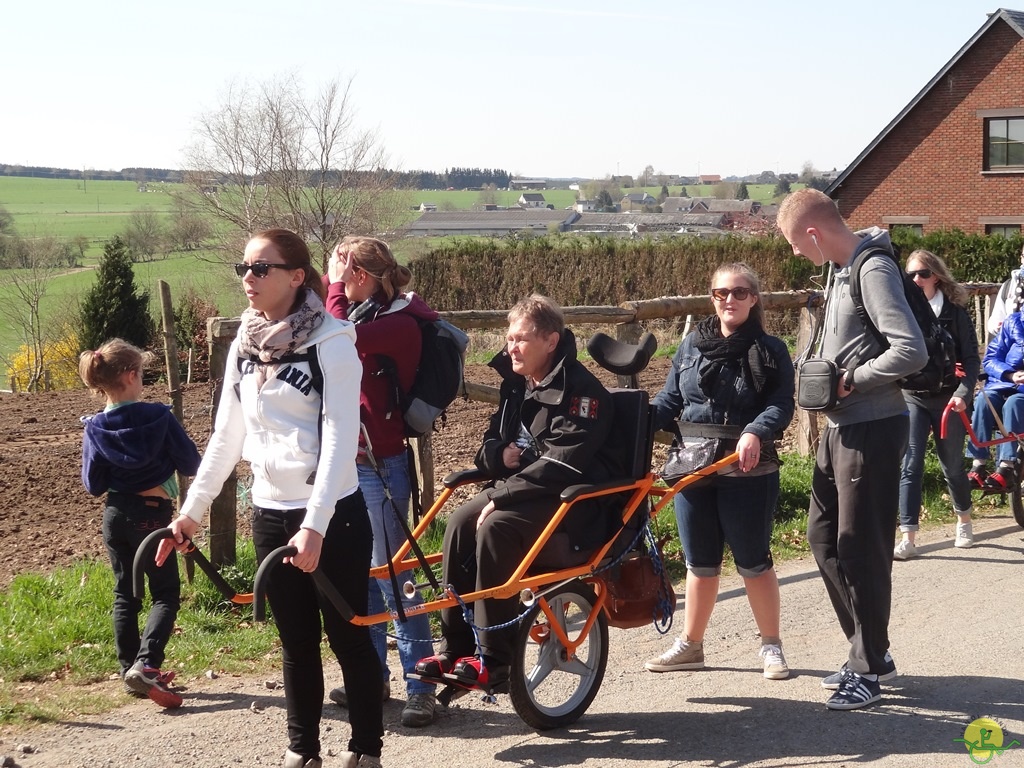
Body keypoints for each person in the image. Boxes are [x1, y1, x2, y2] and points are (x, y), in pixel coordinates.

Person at [156, 229, 384, 768]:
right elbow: (224, 438)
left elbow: (338, 441)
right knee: (295, 642)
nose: (248, 279)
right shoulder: (244, 343)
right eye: (244, 269)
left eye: (261, 268)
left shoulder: (333, 342)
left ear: (297, 275)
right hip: (271, 512)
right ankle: (302, 751)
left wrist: (317, 524)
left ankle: (367, 752)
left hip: (332, 516)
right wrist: (190, 515)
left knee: (347, 638)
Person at [412, 295, 621, 691]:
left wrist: (500, 496)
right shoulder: (515, 386)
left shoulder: (582, 393)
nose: (511, 348)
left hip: (572, 500)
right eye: (509, 338)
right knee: (458, 522)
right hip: (524, 492)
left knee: (496, 529)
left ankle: (495, 659)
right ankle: (455, 647)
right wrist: (498, 454)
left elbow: (564, 462)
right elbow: (488, 442)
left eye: (521, 339)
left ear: (551, 341)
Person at [776, 188, 927, 711]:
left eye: (797, 244)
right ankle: (871, 648)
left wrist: (853, 381)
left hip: (872, 426)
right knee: (823, 539)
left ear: (813, 234)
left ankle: (866, 668)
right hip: (841, 429)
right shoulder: (840, 271)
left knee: (862, 547)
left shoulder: (871, 270)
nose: (797, 254)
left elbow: (910, 349)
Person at [643, 263, 796, 680]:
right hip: (691, 464)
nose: (729, 299)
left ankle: (771, 647)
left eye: (739, 292)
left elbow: (781, 403)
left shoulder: (771, 349)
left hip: (745, 465)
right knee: (699, 563)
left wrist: (755, 432)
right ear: (712, 297)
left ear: (754, 298)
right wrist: (634, 422)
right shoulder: (691, 345)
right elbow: (670, 400)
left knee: (753, 561)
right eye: (721, 292)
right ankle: (692, 646)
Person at [323, 235, 439, 728]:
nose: (338, 283)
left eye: (344, 274)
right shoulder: (375, 316)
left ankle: (422, 686)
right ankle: (371, 678)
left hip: (381, 463)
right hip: (354, 463)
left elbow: (333, 332)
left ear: (361, 278)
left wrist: (330, 283)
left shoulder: (396, 323)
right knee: (362, 576)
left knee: (395, 577)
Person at [80, 338, 201, 709]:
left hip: (116, 515)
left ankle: (129, 669)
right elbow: (191, 463)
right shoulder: (159, 417)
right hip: (154, 514)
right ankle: (147, 664)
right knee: (164, 592)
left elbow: (93, 484)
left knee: (125, 593)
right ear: (132, 375)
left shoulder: (95, 427)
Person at [895, 250, 980, 559]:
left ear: (937, 277)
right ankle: (908, 537)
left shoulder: (955, 314)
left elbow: (971, 359)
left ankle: (964, 520)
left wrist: (963, 392)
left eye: (922, 274)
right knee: (911, 464)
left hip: (948, 399)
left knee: (952, 465)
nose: (916, 280)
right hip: (912, 396)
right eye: (911, 275)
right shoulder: (902, 311)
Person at [965, 307, 1024, 498]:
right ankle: (978, 464)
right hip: (1004, 383)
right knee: (983, 399)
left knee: (1013, 404)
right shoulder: (1013, 323)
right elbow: (991, 359)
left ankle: (1006, 467)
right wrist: (1009, 374)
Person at [985, 244, 1024, 336]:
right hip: (1012, 348)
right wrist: (998, 327)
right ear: (1021, 258)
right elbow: (995, 320)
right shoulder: (1009, 285)